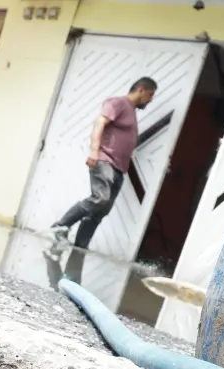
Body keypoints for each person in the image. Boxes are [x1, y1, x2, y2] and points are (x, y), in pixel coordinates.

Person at [50, 77, 158, 250]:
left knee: (101, 211)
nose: (151, 99)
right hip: (105, 160)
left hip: (119, 168)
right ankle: (60, 226)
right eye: (150, 94)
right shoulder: (118, 103)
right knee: (100, 198)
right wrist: (94, 151)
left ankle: (80, 247)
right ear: (141, 90)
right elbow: (100, 122)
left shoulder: (130, 110)